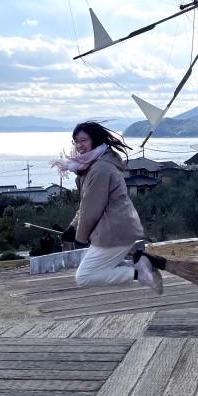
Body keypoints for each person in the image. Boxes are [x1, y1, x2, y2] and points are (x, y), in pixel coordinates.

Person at [50, 121, 164, 293]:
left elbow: (91, 209)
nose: (79, 145)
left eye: (84, 140)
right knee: (99, 269)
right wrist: (73, 227)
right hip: (115, 229)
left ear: (95, 140)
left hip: (115, 231)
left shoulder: (100, 168)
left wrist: (79, 237)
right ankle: (142, 265)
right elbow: (86, 205)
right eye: (76, 141)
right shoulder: (92, 165)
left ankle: (140, 272)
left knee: (84, 277)